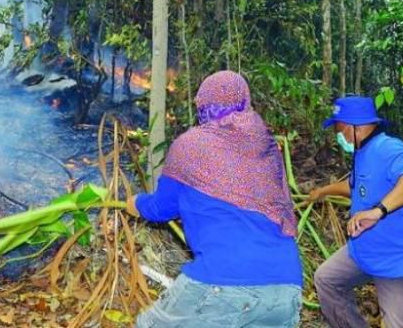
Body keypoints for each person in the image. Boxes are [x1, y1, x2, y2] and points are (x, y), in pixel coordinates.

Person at [127, 71, 303, 327]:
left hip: (222, 282)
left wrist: (133, 204)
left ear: (204, 102)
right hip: (286, 287)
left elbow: (160, 208)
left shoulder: (191, 147)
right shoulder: (266, 147)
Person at [309, 96, 403, 328]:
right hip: (365, 251)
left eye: (338, 128)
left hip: (398, 259)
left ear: (353, 126)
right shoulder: (362, 152)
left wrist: (378, 211)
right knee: (326, 280)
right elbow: (355, 187)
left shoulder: (387, 148)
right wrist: (323, 191)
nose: (338, 135)